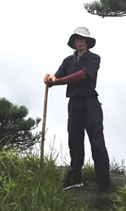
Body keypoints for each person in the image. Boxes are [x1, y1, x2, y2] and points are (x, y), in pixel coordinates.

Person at [44, 26, 111, 193]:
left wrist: (58, 81)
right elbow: (57, 77)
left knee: (97, 143)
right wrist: (50, 79)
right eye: (77, 39)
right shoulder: (68, 60)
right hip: (74, 104)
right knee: (74, 140)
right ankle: (74, 178)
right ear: (73, 42)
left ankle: (104, 183)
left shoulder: (94, 58)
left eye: (82, 39)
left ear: (87, 42)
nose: (79, 42)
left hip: (90, 104)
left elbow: (82, 75)